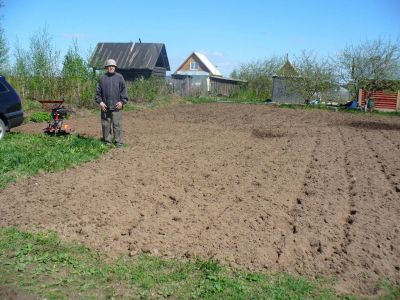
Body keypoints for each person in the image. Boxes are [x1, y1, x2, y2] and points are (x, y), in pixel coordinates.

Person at [95, 59, 128, 147]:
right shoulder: (102, 78)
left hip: (117, 107)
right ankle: (107, 142)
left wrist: (121, 102)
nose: (111, 67)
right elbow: (98, 93)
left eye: (113, 66)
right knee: (105, 125)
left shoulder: (120, 77)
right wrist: (100, 102)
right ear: (107, 67)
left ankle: (118, 142)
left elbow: (124, 92)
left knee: (117, 125)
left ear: (115, 67)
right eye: (109, 66)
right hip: (105, 107)